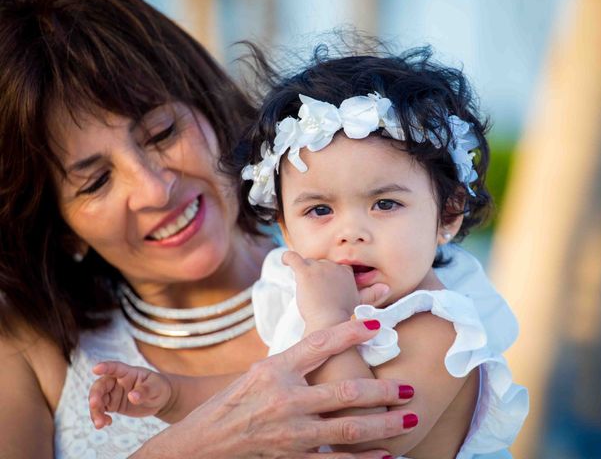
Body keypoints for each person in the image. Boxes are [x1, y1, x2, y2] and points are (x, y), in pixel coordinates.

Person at [0, 0, 430, 458]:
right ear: (57, 228)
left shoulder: (392, 287)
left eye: (161, 133)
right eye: (96, 182)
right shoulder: (29, 350)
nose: (154, 188)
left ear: (206, 104)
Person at [88, 46, 529, 458]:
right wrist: (173, 394)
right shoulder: (315, 305)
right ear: (284, 227)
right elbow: (263, 400)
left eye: (385, 204)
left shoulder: (441, 328)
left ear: (447, 216)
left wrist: (329, 323)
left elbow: (367, 436)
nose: (350, 233)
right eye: (320, 209)